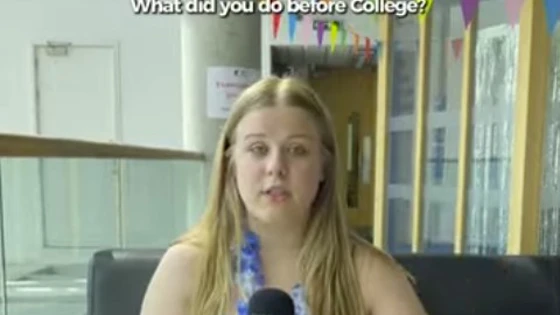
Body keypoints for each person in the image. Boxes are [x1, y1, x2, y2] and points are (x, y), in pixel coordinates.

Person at [140, 76, 427, 315]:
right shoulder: (185, 267)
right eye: (258, 149)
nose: (276, 167)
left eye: (297, 150)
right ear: (231, 165)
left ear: (323, 168)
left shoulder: (369, 272)